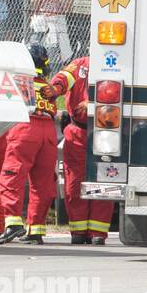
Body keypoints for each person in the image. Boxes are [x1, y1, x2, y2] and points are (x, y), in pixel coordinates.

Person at [43, 54, 113, 245]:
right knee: (74, 183)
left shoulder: (117, 64)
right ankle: (78, 230)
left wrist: (93, 104)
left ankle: (97, 232)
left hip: (107, 132)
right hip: (78, 132)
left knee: (104, 181)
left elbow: (122, 93)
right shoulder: (81, 64)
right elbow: (65, 77)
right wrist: (55, 88)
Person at [0, 42, 59, 245]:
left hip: (25, 127)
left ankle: (13, 223)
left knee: (12, 175)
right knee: (43, 182)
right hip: (49, 131)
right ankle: (36, 230)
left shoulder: (17, 80)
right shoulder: (48, 86)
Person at [30, 0, 74, 65]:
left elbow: (68, 9)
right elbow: (32, 6)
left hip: (56, 24)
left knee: (51, 55)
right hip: (39, 24)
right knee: (34, 55)